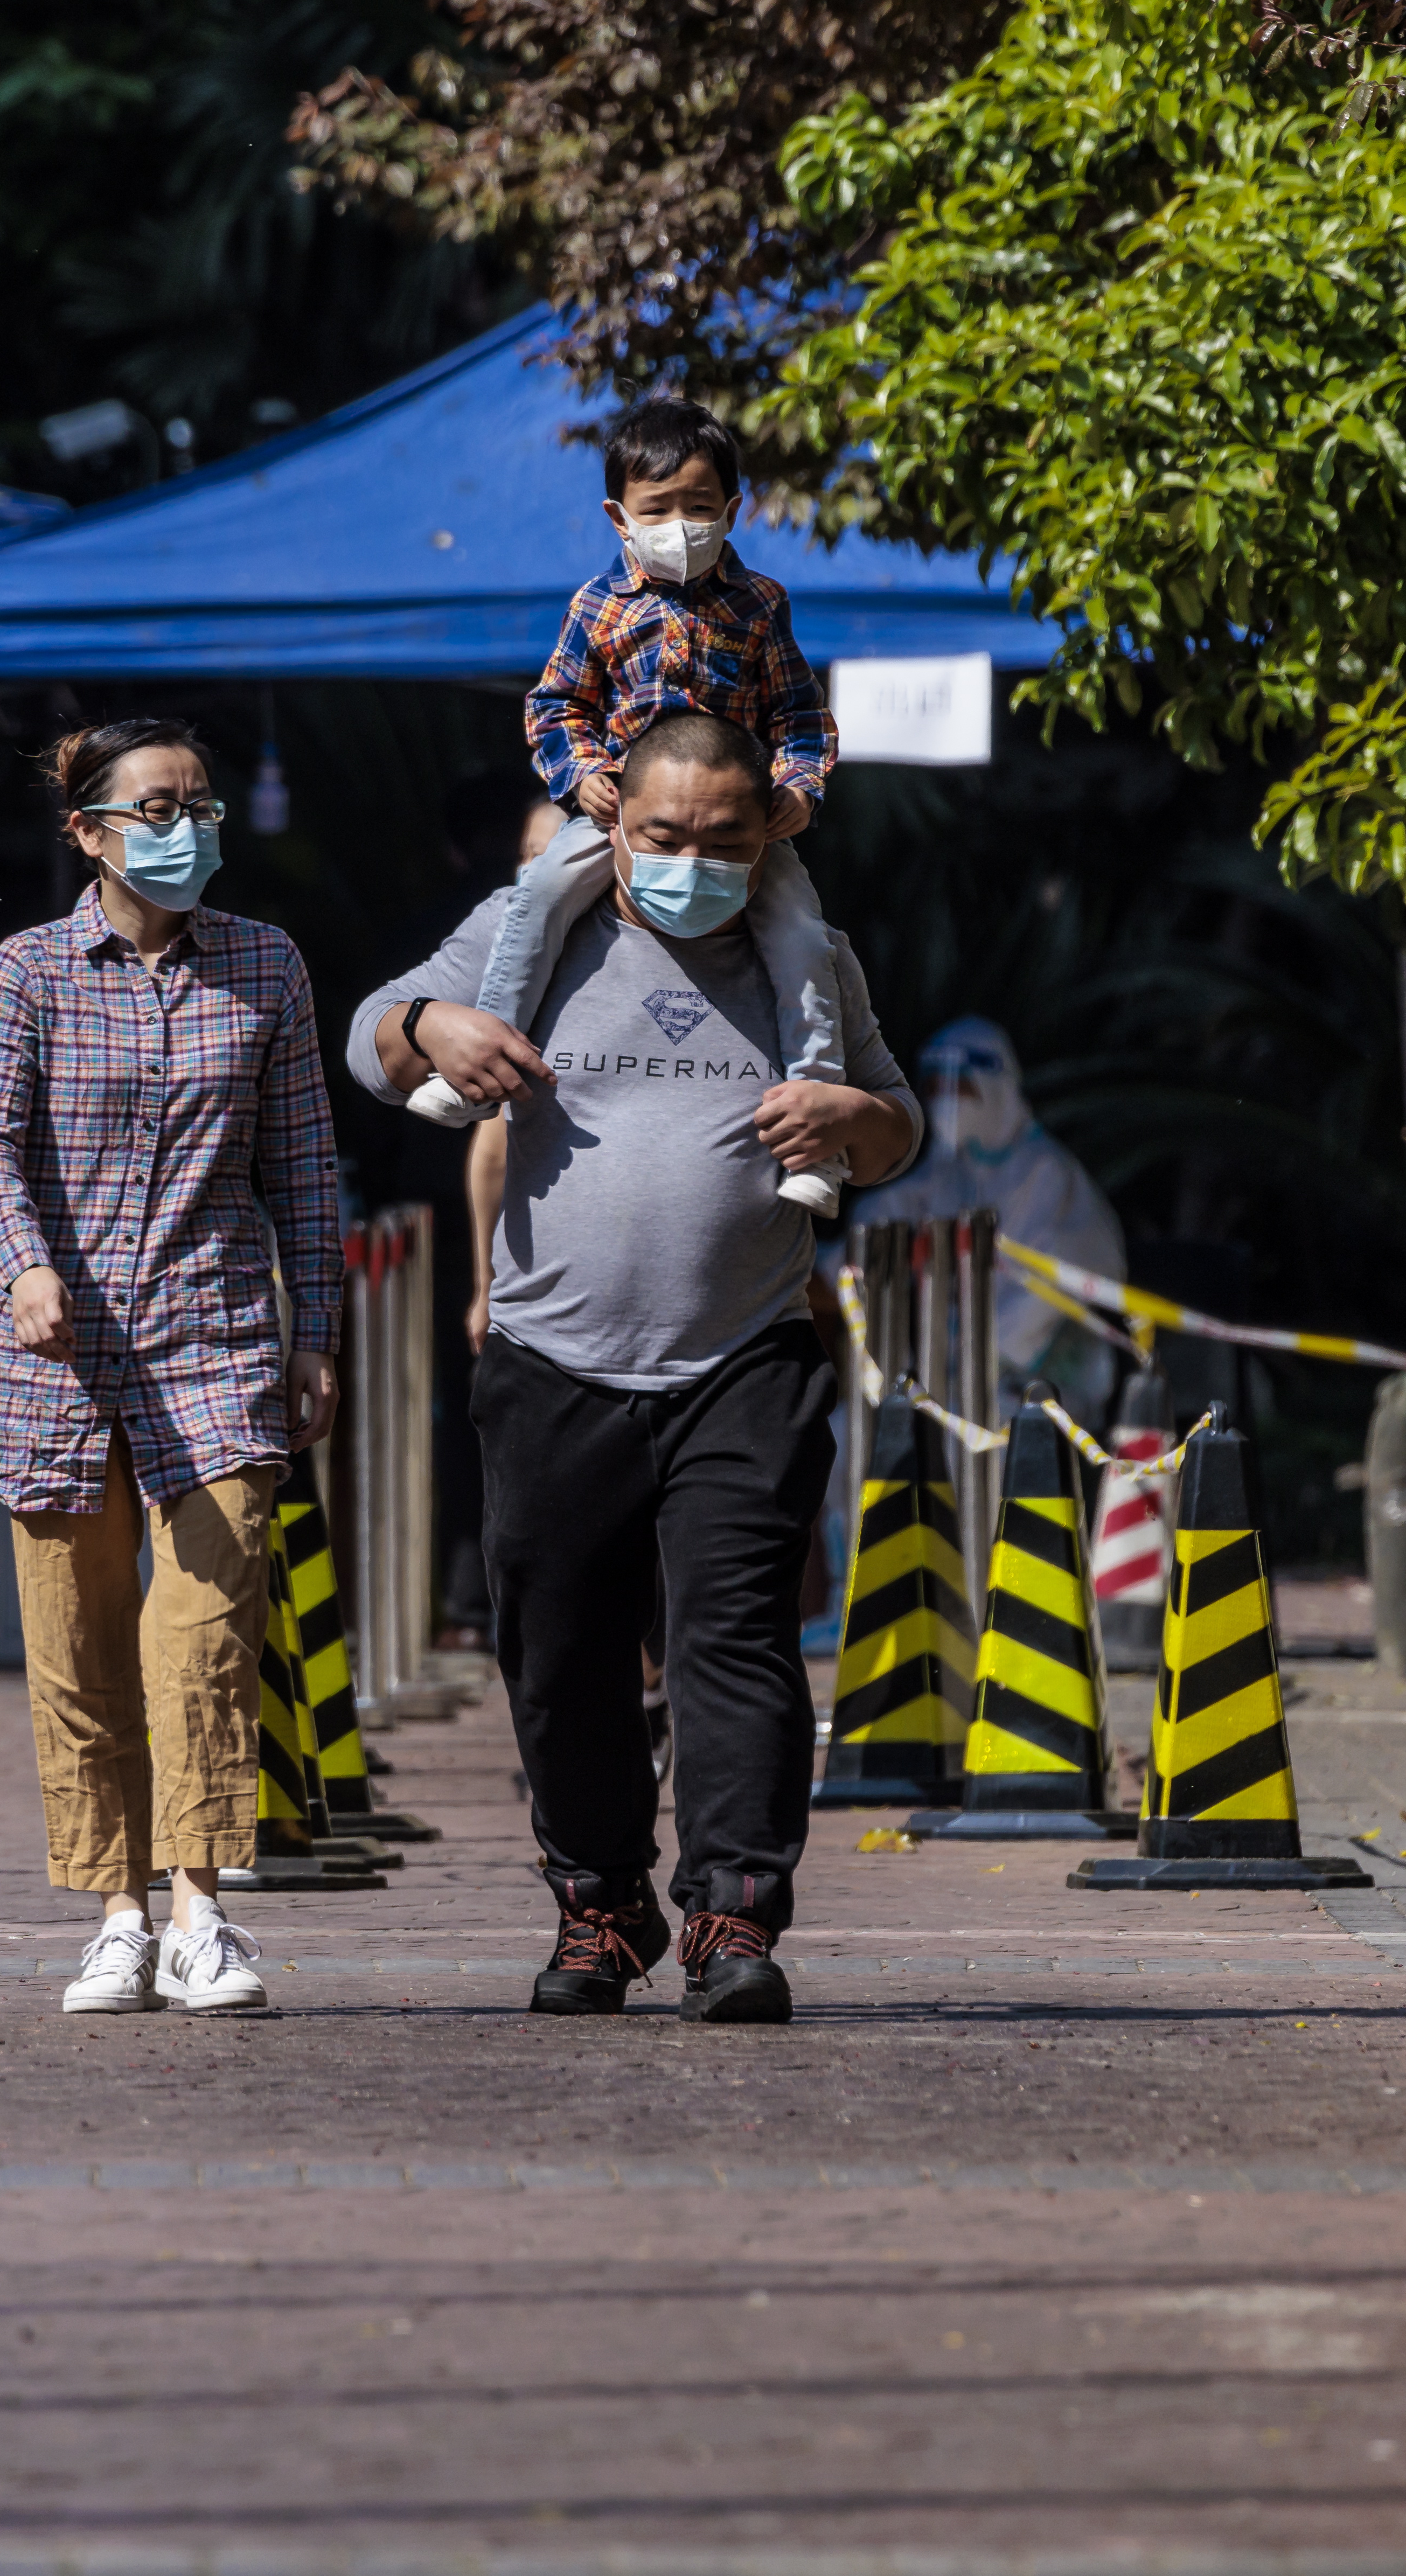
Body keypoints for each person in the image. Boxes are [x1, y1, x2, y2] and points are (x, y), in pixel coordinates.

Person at [350, 711, 918, 2026]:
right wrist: (435, 1028)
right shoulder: (535, 933)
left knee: (735, 1638)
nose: (693, 860)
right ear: (615, 823)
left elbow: (898, 1125)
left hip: (746, 1356)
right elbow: (371, 1036)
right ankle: (602, 1898)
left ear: (768, 830)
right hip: (554, 1359)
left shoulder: (809, 959)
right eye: (664, 835)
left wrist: (857, 1120)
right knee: (559, 1648)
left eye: (726, 837)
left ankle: (732, 1910)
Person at [0, 720, 345, 2020]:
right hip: (58, 1357)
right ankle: (114, 1912)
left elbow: (302, 1166)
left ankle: (199, 1909)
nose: (187, 827)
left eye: (202, 803)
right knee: (77, 1643)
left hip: (217, 1334)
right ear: (90, 831)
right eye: (157, 807)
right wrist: (22, 1265)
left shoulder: (267, 964)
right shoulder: (27, 971)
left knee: (205, 1634)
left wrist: (315, 1333)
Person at [414, 402, 851, 1221]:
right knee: (536, 900)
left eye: (698, 506)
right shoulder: (595, 607)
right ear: (619, 516)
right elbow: (554, 708)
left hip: (739, 831)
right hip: (618, 820)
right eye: (658, 510)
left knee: (801, 942)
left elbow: (801, 715)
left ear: (732, 508)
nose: (679, 525)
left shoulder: (760, 605)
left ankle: (815, 1140)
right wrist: (578, 776)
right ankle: (477, 1072)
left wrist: (797, 789)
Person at [858, 1017, 1129, 1398]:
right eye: (934, 1090)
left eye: (959, 1089)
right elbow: (881, 1218)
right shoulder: (952, 1170)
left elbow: (1039, 1296)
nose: (944, 1103)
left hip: (1043, 1386)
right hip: (956, 1379)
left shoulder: (1045, 1172)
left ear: (993, 1086)